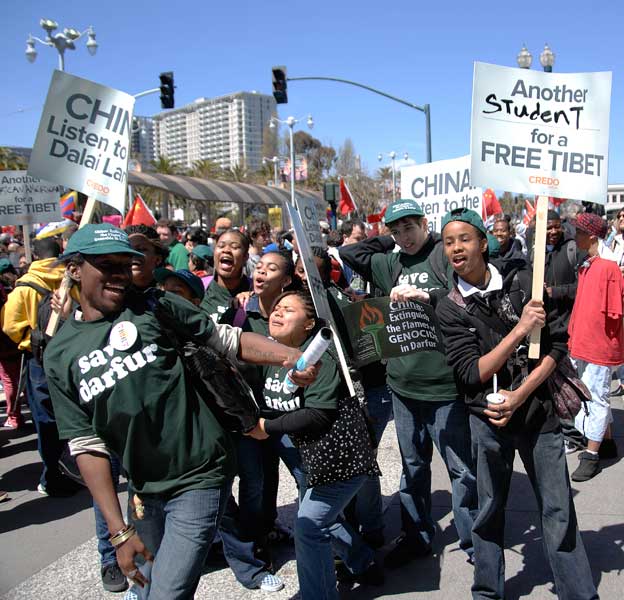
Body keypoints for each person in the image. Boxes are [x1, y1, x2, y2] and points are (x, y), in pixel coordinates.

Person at [43, 224, 318, 600]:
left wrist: (292, 357)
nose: (120, 276)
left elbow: (227, 340)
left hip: (201, 476)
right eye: (107, 265)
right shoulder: (59, 354)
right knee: (147, 588)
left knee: (166, 594)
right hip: (144, 493)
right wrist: (119, 531)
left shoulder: (155, 306)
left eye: (126, 266)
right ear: (75, 269)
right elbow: (85, 445)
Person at [436, 208, 598, 600]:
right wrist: (521, 329)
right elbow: (472, 373)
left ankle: (577, 591)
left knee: (558, 510)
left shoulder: (525, 281)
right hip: (486, 422)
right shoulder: (449, 306)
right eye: (448, 241)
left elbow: (558, 346)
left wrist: (520, 394)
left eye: (464, 238)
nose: (456, 248)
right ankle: (488, 591)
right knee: (489, 511)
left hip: (538, 415)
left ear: (483, 242)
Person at [339, 198, 477, 567]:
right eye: (396, 231)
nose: (404, 236)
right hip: (402, 385)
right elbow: (349, 252)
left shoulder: (444, 253)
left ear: (425, 223)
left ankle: (474, 542)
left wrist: (427, 295)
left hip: (445, 386)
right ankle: (416, 536)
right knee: (413, 468)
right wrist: (389, 240)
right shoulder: (390, 261)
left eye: (410, 228)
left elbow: (464, 298)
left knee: (461, 469)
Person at [247, 290, 382, 600]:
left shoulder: (319, 357)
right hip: (306, 455)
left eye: (288, 310)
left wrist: (267, 427)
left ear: (309, 325)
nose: (277, 313)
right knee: (318, 518)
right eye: (276, 308)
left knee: (309, 525)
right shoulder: (270, 350)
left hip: (338, 459)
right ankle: (362, 560)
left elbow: (317, 416)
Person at [1, 238, 81, 496]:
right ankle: (79, 467)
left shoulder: (24, 287)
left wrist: (27, 338)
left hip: (39, 359)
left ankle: (52, 475)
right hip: (74, 353)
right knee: (76, 414)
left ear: (34, 255)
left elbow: (10, 325)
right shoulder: (72, 279)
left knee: (46, 419)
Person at [568, 213, 624, 481]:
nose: (574, 236)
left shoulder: (608, 267)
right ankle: (608, 443)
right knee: (594, 394)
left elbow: (615, 312)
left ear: (591, 235)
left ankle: (590, 455)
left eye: (578, 231)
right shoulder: (588, 265)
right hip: (585, 341)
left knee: (596, 397)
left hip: (598, 345)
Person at [200, 229, 251, 323]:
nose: (226, 250)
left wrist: (257, 297)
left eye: (234, 247)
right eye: (221, 246)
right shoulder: (199, 287)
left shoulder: (256, 292)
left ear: (245, 257)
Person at [0, 261, 23, 429]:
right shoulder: (17, 286)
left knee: (9, 380)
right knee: (23, 376)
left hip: (5, 341)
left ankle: (14, 416)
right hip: (19, 340)